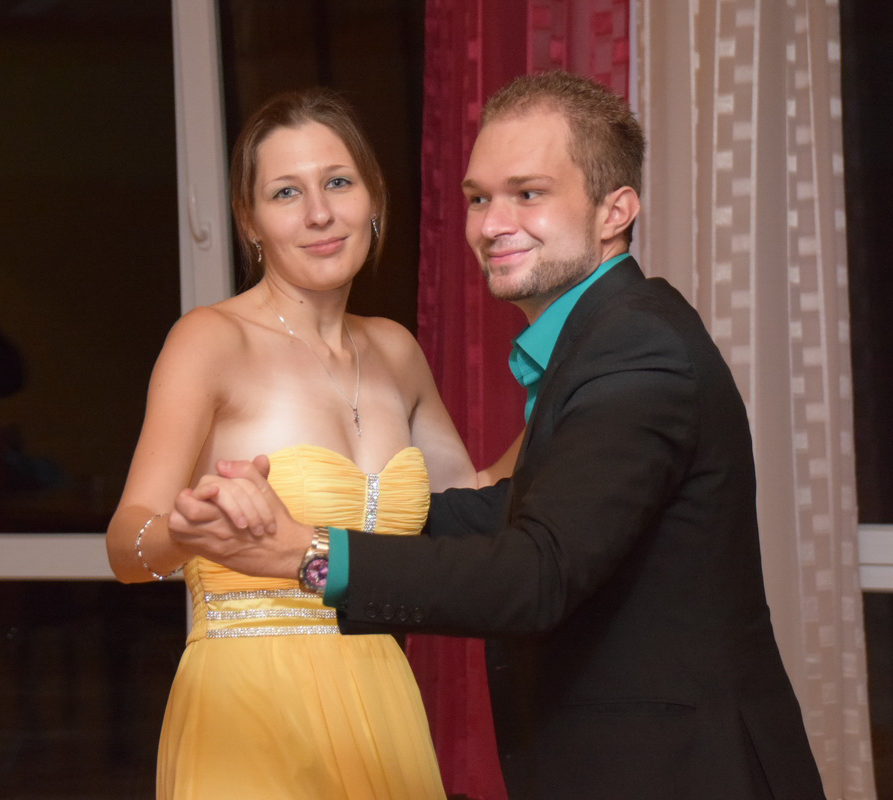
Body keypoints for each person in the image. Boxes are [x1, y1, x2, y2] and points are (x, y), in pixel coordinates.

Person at [199, 72, 828, 799]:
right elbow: (507, 510)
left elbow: (534, 574)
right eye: (478, 198)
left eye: (528, 194)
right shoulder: (604, 339)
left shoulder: (637, 351)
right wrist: (325, 513)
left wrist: (307, 555)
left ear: (614, 210)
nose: (492, 224)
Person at [106, 87, 511, 800]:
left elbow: (474, 504)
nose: (319, 213)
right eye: (286, 192)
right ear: (250, 221)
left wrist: (571, 393)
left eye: (338, 182)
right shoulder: (210, 340)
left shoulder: (394, 350)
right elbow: (126, 546)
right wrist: (184, 533)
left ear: (373, 197)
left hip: (381, 706)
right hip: (249, 708)